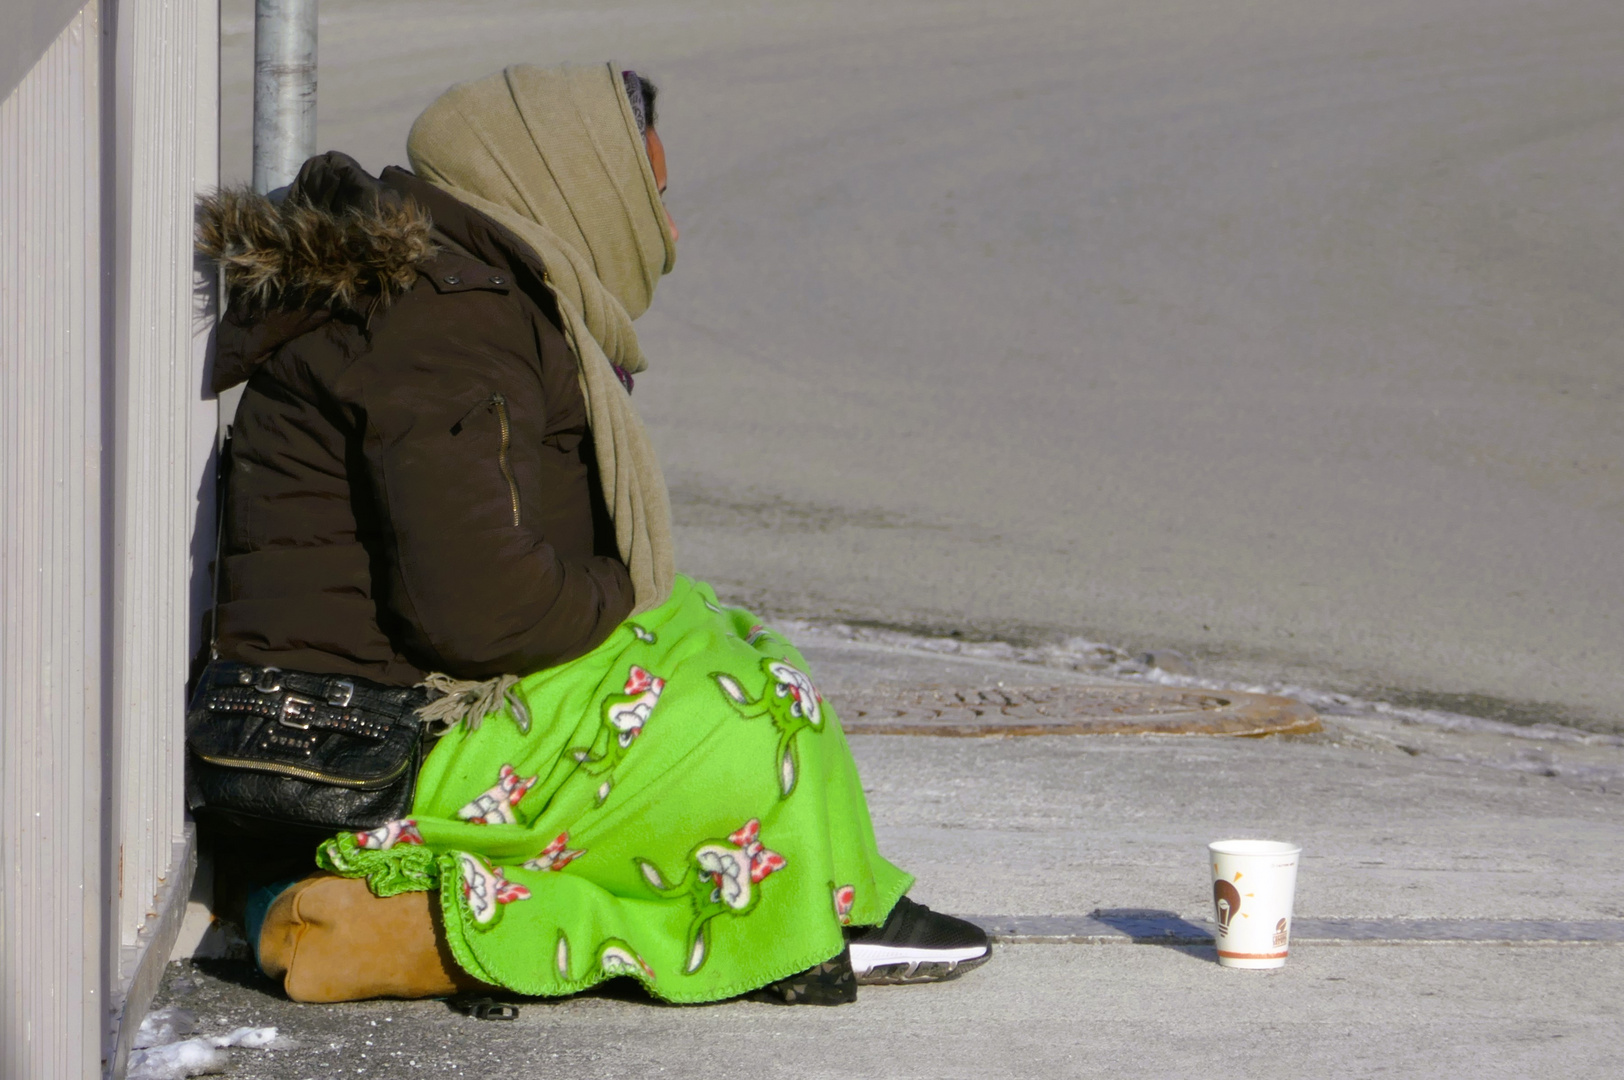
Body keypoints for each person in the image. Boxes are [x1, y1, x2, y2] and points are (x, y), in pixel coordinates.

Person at [197, 62, 988, 1005]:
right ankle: (777, 921)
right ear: (570, 183)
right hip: (345, 747)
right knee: (734, 716)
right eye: (651, 194)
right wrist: (620, 589)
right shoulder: (447, 320)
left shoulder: (474, 290)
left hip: (362, 704)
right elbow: (482, 612)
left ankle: (828, 899)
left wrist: (630, 596)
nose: (670, 230)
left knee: (719, 636)